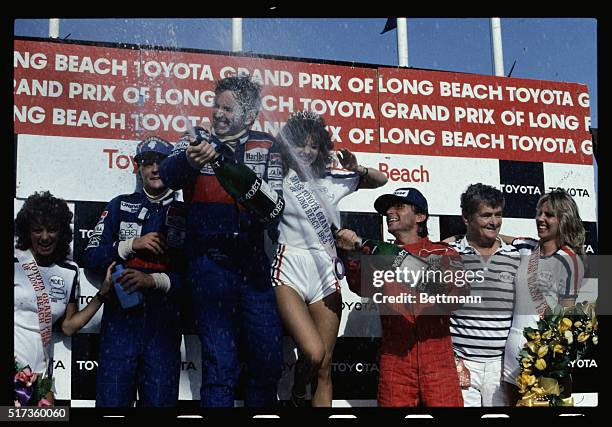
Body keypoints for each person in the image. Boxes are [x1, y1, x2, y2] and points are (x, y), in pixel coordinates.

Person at [159, 75, 285, 407]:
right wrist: (188, 160)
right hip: (207, 264)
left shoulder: (266, 144)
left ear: (249, 114)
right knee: (219, 363)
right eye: (216, 106)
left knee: (268, 357)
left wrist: (233, 173)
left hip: (253, 264)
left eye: (227, 108)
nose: (218, 114)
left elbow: (275, 208)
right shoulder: (194, 139)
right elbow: (168, 175)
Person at [271, 111, 387, 407]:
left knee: (324, 367)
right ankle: (298, 391)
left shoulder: (334, 178)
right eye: (300, 144)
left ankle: (304, 394)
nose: (307, 152)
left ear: (322, 149)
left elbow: (380, 180)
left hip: (325, 269)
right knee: (312, 352)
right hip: (289, 265)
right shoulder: (278, 176)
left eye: (313, 146)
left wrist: (357, 167)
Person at [335, 187, 464, 407]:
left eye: (399, 206)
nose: (390, 212)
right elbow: (360, 288)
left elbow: (455, 295)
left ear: (420, 216)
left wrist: (399, 263)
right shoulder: (376, 254)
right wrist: (354, 255)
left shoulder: (443, 253)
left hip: (438, 360)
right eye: (387, 209)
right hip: (395, 360)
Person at [83, 136, 186, 407]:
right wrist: (130, 245)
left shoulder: (187, 212)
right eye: (147, 162)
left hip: (163, 326)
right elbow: (91, 257)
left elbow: (197, 277)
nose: (154, 169)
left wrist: (153, 280)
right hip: (120, 323)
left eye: (161, 162)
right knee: (112, 407)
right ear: (136, 167)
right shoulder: (119, 205)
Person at [14, 191, 112, 406]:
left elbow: (68, 326)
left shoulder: (69, 270)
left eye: (52, 229)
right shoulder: (14, 261)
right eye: (37, 230)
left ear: (61, 233)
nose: (45, 237)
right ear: (27, 232)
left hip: (39, 372)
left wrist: (102, 295)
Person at [501, 189, 585, 402]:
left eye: (548, 215)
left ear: (564, 219)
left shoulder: (570, 260)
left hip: (542, 355)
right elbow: (490, 236)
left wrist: (548, 357)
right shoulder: (527, 246)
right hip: (512, 349)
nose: (540, 219)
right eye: (539, 213)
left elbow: (566, 320)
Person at [447, 183, 521, 407]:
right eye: (486, 215)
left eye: (498, 215)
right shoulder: (449, 253)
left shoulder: (517, 255)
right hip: (460, 364)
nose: (494, 222)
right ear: (466, 218)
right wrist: (454, 360)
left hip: (502, 367)